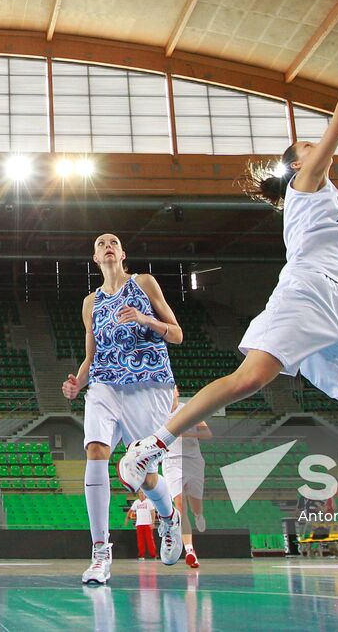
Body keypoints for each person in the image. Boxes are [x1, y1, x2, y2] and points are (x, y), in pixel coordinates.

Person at [117, 57, 338, 593]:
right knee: (251, 379)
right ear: (297, 167)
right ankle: (152, 445)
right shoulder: (307, 186)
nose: (317, 148)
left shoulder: (332, 206)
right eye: (307, 148)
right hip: (307, 294)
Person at [62, 234, 184, 585]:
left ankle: (168, 515)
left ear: (123, 253)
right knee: (96, 451)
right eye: (101, 244)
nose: (108, 245)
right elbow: (90, 356)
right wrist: (77, 383)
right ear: (95, 258)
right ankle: (100, 553)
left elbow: (176, 334)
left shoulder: (144, 283)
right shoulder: (90, 302)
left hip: (149, 383)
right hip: (104, 385)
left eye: (113, 241)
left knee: (143, 475)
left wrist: (145, 320)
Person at [161, 387, 212, 568]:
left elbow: (207, 434)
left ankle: (199, 515)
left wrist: (187, 433)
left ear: (177, 392)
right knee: (180, 504)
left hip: (193, 460)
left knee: (195, 505)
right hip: (171, 462)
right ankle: (190, 550)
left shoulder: (189, 409)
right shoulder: (159, 413)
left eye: (171, 388)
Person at [126, 491, 156, 560]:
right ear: (138, 494)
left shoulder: (148, 501)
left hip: (147, 524)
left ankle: (153, 555)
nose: (141, 494)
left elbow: (153, 512)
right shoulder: (136, 502)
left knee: (150, 540)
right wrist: (126, 519)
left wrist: (153, 522)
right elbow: (130, 510)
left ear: (145, 494)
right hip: (139, 524)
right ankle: (141, 555)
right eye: (140, 493)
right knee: (140, 540)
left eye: (142, 493)